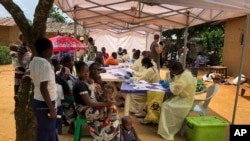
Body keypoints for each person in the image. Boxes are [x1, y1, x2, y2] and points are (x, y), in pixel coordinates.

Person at [73, 61, 120, 141]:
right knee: (101, 113)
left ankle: (108, 137)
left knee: (113, 114)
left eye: (87, 71)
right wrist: (105, 103)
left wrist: (106, 102)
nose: (86, 74)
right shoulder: (80, 84)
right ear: (78, 73)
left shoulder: (85, 81)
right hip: (82, 108)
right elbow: (89, 103)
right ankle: (102, 137)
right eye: (83, 72)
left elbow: (94, 98)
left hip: (88, 106)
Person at [29, 37, 58, 141]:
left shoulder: (33, 62)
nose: (52, 52)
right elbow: (43, 88)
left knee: (44, 130)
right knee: (47, 132)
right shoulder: (45, 64)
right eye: (51, 49)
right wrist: (51, 108)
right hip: (46, 103)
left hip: (38, 100)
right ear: (46, 51)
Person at [158, 61, 196, 141]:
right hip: (181, 97)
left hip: (185, 100)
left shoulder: (184, 77)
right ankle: (164, 127)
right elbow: (175, 84)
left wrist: (170, 85)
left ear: (176, 69)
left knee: (166, 106)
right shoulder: (184, 73)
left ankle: (168, 130)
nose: (171, 72)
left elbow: (175, 91)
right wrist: (171, 84)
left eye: (172, 70)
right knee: (165, 102)